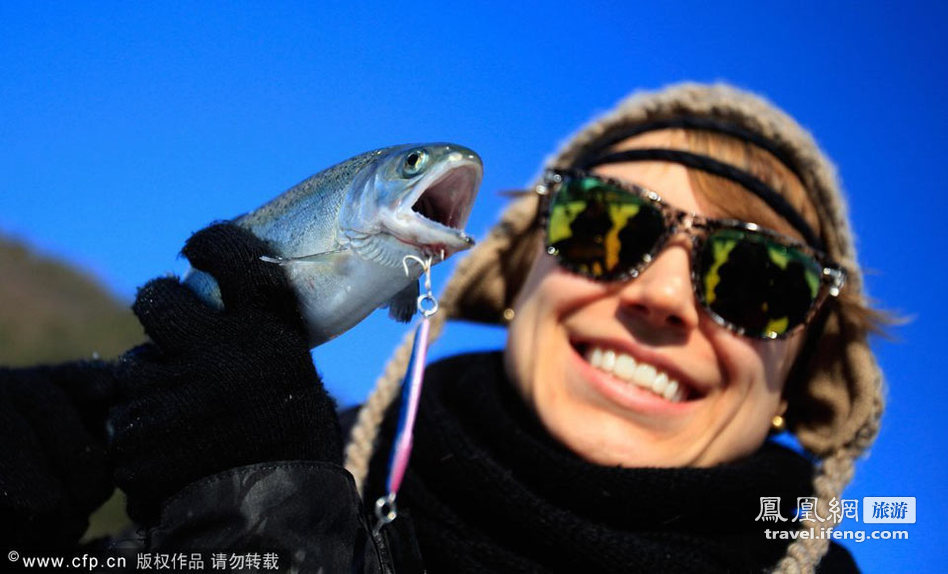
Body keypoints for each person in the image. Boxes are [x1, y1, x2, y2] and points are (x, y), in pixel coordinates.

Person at [0, 83, 885, 572]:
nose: (663, 295)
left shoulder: (258, 478)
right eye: (605, 225)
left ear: (807, 371)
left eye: (761, 278)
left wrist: (264, 532)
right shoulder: (237, 456)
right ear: (516, 275)